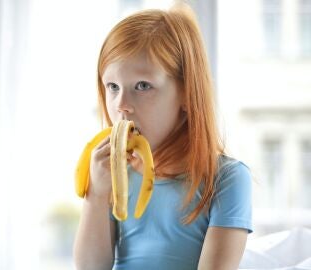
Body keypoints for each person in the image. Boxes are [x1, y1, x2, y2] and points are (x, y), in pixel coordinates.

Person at [73, 3, 252, 270]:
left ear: (186, 93)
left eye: (142, 86)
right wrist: (96, 195)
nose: (122, 104)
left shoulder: (226, 179)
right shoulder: (114, 174)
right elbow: (90, 267)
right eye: (112, 86)